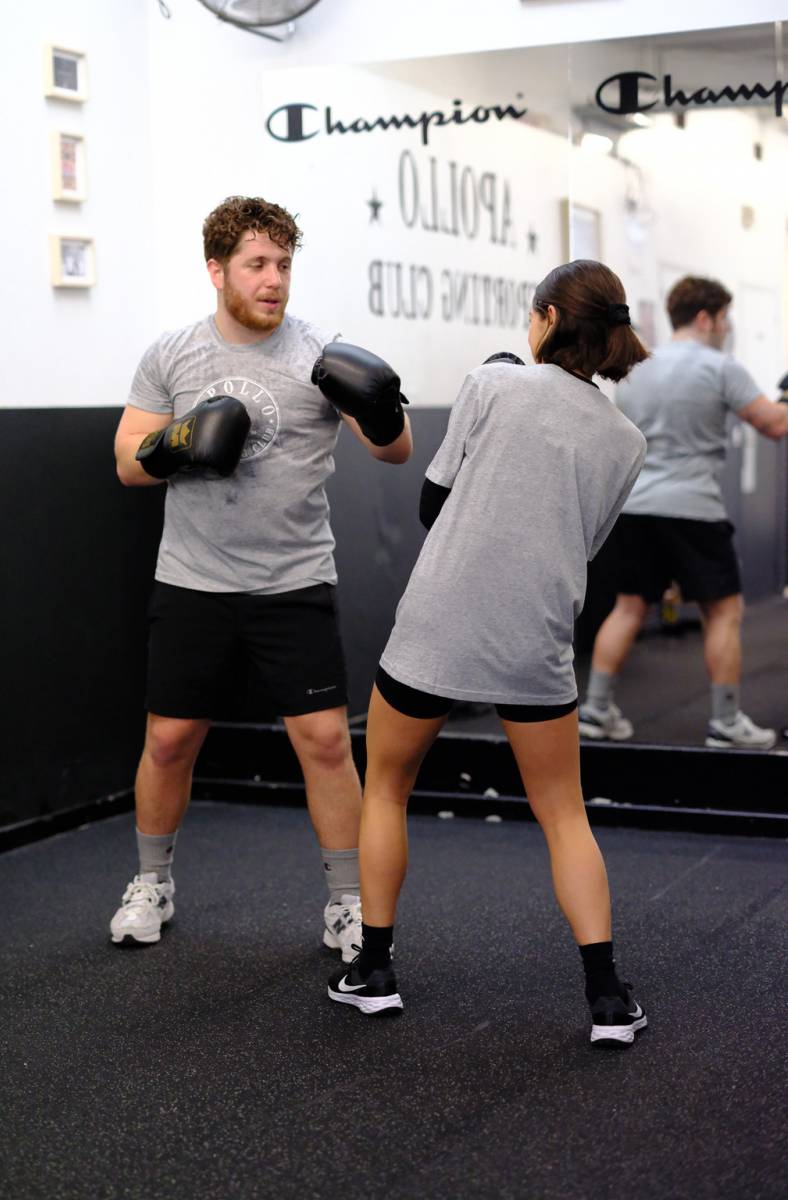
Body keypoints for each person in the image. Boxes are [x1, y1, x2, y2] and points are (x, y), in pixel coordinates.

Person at [327, 259, 651, 1048]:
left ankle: (374, 971)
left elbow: (434, 503)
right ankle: (606, 998)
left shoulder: (493, 384)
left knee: (387, 789)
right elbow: (586, 543)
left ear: (544, 318)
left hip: (438, 622)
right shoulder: (626, 439)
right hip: (534, 631)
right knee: (564, 813)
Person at [110, 195, 412, 957]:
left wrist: (381, 411)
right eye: (256, 264)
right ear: (218, 271)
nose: (273, 279)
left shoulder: (320, 353)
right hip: (193, 579)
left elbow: (395, 452)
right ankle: (152, 881)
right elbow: (126, 463)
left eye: (283, 264)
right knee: (171, 738)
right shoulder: (172, 353)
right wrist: (181, 442)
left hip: (293, 578)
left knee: (323, 743)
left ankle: (347, 902)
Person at [579, 276, 788, 749]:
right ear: (705, 317)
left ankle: (595, 710)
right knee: (724, 612)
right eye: (725, 318)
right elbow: (774, 425)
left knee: (629, 607)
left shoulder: (636, 366)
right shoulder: (720, 367)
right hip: (693, 508)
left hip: (635, 505)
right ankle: (726, 722)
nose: (727, 327)